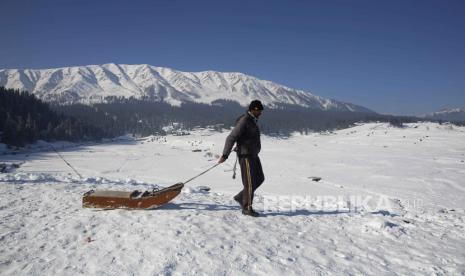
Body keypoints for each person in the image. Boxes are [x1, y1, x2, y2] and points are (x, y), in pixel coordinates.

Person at [218, 100, 265, 217]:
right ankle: (247, 208)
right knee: (249, 183)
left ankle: (241, 196)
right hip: (246, 156)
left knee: (259, 178)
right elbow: (231, 137)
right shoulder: (244, 121)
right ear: (254, 109)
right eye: (260, 110)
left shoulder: (252, 120)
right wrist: (225, 154)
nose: (261, 113)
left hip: (253, 155)